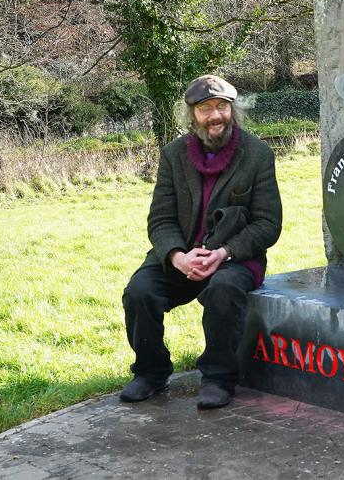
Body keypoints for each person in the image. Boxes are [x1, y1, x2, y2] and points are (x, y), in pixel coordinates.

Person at [120, 75, 282, 409]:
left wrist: (224, 252)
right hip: (181, 256)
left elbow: (268, 223)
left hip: (234, 258)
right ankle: (150, 373)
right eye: (205, 108)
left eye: (221, 106)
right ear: (192, 115)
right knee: (140, 292)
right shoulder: (173, 155)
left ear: (233, 110)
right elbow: (160, 219)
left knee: (223, 291)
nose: (215, 115)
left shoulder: (257, 154)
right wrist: (178, 256)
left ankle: (219, 378)